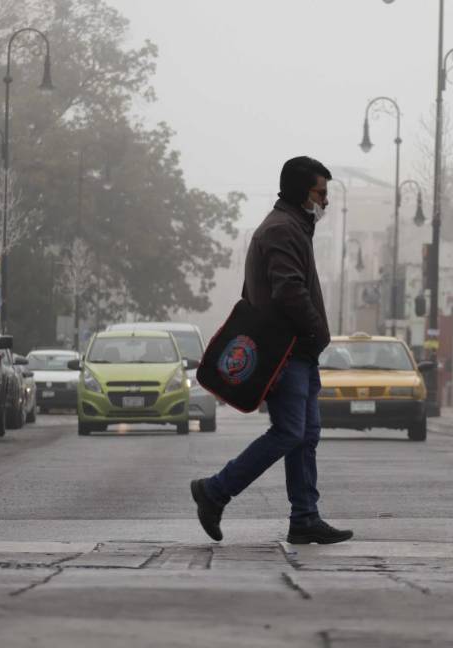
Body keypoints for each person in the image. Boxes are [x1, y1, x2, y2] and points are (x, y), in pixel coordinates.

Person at [191, 156, 352, 545]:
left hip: (298, 350)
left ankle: (305, 518)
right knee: (289, 432)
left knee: (305, 435)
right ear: (301, 192)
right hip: (286, 350)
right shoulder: (282, 229)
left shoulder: (294, 226)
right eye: (320, 193)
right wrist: (318, 332)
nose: (325, 202)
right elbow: (289, 290)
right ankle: (214, 491)